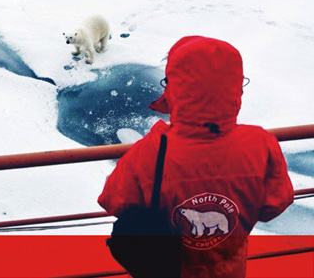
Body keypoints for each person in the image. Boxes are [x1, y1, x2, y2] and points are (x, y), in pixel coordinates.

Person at [98, 36, 293, 278]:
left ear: (175, 87)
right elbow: (274, 205)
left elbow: (113, 201)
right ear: (233, 87)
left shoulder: (150, 151)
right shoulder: (261, 143)